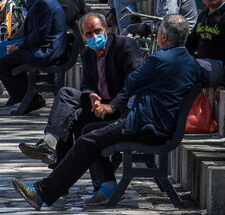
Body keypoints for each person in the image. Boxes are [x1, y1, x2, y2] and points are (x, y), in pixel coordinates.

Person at [11, 14, 208, 209]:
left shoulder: (159, 59)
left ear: (164, 37)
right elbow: (207, 77)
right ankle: (107, 185)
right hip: (153, 124)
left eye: (159, 31)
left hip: (145, 126)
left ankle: (42, 192)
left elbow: (131, 81)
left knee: (85, 141)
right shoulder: (190, 62)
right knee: (88, 130)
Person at [19, 13, 143, 166]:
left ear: (106, 30)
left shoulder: (124, 45)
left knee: (73, 118)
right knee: (66, 98)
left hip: (121, 109)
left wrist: (112, 106)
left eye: (98, 31)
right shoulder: (87, 53)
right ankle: (50, 144)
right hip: (98, 106)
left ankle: (58, 176)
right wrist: (91, 94)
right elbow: (86, 83)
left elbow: (134, 82)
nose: (94, 36)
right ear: (84, 38)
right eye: (89, 34)